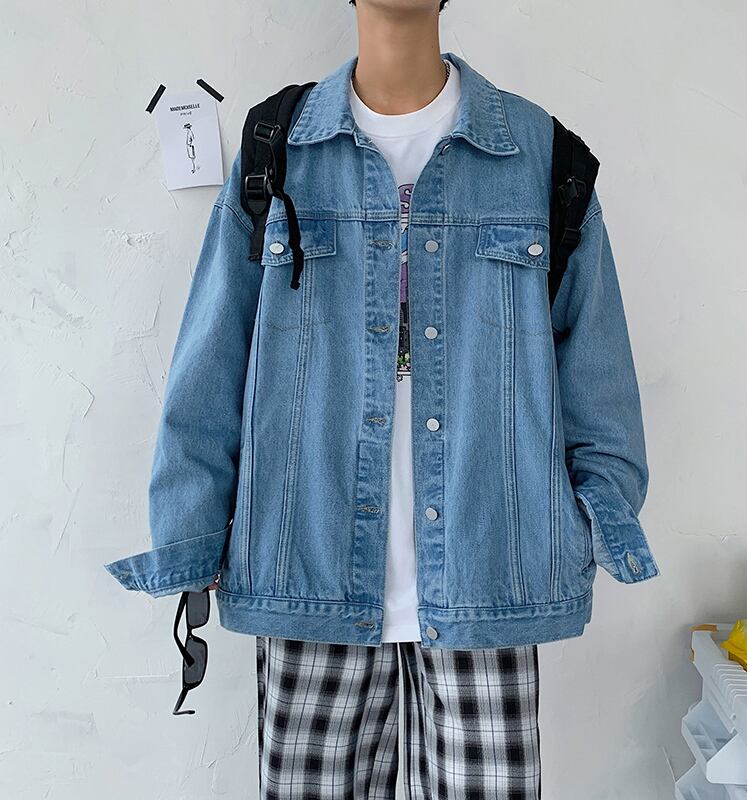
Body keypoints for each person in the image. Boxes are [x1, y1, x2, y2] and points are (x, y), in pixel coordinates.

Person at [105, 0, 661, 796]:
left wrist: (583, 526)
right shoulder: (276, 149)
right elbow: (208, 367)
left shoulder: (541, 156)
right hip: (307, 569)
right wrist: (192, 534)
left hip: (490, 579)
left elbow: (600, 384)